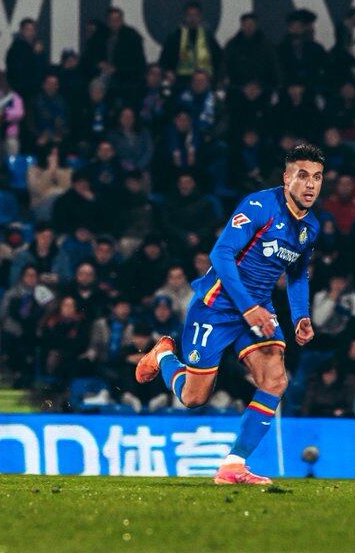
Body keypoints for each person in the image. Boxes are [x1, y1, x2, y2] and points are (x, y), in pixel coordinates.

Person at [135, 144, 325, 485]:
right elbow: (221, 253)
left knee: (276, 380)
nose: (310, 184)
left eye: (317, 177)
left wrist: (300, 315)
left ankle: (233, 465)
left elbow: (298, 272)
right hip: (218, 305)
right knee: (194, 397)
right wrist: (248, 307)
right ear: (286, 178)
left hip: (258, 309)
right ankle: (164, 355)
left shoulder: (310, 227)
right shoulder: (260, 205)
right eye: (302, 175)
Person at [158, 1, 222, 86]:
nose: (193, 18)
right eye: (190, 15)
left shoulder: (208, 36)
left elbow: (219, 59)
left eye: (196, 15)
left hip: (205, 80)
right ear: (185, 17)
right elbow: (164, 60)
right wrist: (168, 72)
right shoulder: (175, 36)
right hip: (181, 80)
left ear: (200, 17)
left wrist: (216, 77)